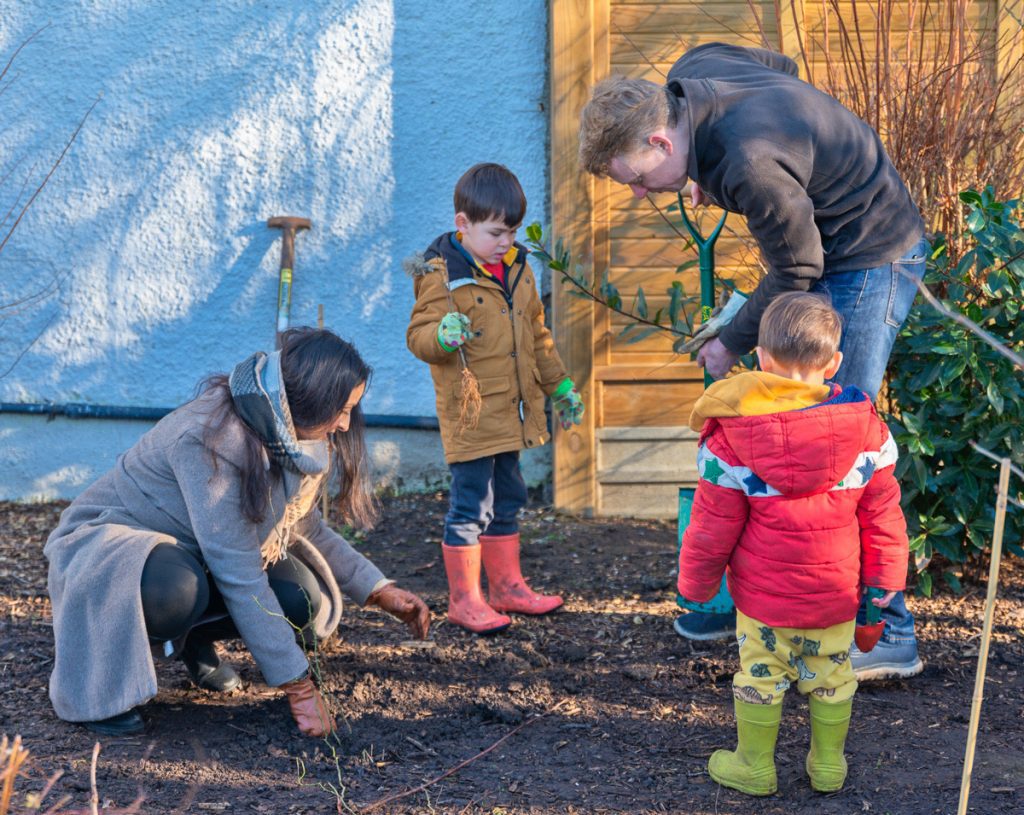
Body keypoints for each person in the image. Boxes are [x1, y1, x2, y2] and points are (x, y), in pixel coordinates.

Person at [578, 41, 926, 677]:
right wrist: (734, 173)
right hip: (822, 242)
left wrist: (730, 339)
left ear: (660, 140)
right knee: (799, 430)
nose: (637, 194)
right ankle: (786, 605)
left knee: (841, 437)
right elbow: (785, 73)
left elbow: (798, 265)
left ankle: (889, 632)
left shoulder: (748, 163)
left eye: (635, 181)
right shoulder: (691, 72)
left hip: (870, 249)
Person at [45, 328, 430, 737]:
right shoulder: (209, 437)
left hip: (195, 551)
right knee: (176, 590)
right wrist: (299, 688)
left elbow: (303, 523)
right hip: (111, 549)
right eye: (341, 408)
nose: (345, 423)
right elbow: (236, 568)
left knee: (298, 597)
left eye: (352, 408)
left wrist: (377, 588)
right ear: (309, 399)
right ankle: (103, 688)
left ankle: (191, 640)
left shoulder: (293, 435)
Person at [678, 292, 909, 795]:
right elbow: (883, 513)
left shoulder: (733, 438)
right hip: (835, 597)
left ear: (760, 359)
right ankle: (828, 766)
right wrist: (886, 578)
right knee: (832, 675)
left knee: (760, 677)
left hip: (764, 602)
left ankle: (755, 767)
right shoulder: (866, 432)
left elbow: (712, 524)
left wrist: (696, 584)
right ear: (833, 364)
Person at [405, 162, 583, 634]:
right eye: (496, 232)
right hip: (473, 414)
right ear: (462, 224)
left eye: (512, 231)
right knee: (472, 505)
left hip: (513, 410)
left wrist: (560, 387)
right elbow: (419, 336)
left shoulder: (519, 270)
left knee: (508, 496)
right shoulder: (443, 276)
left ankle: (507, 589)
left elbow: (538, 338)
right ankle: (465, 600)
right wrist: (441, 337)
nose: (505, 242)